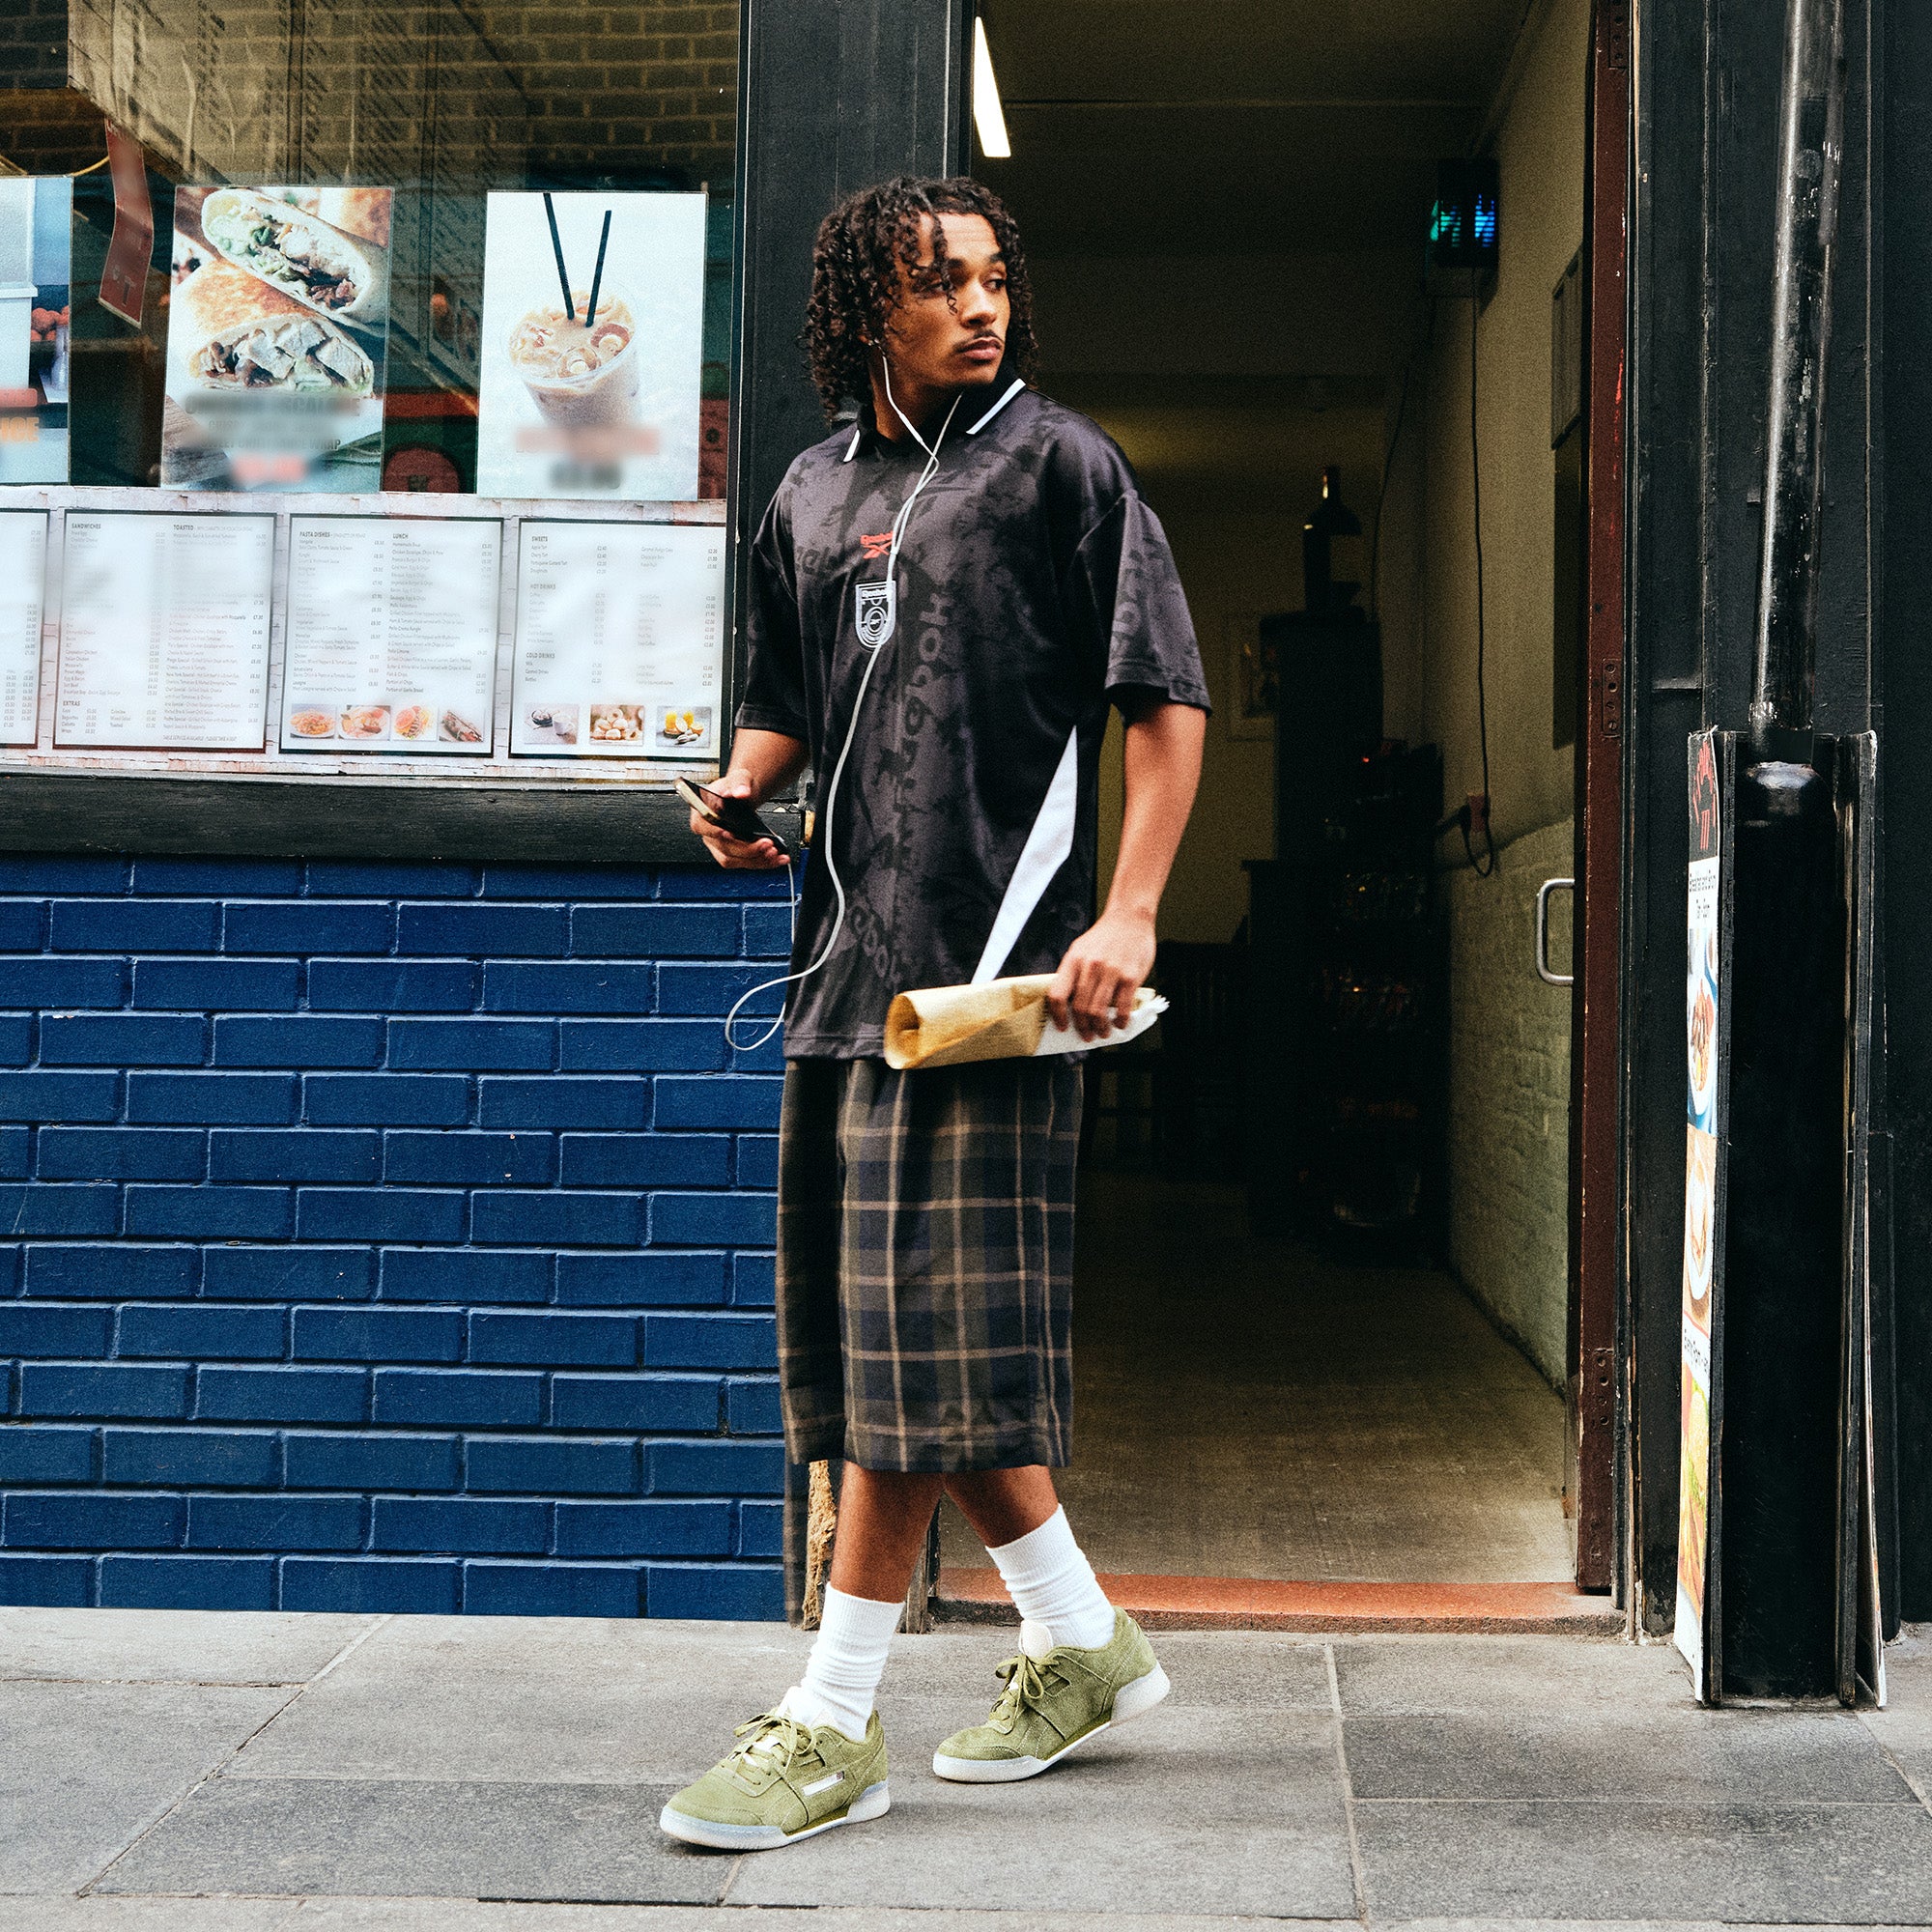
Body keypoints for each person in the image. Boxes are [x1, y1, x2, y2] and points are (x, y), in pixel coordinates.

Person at [661, 176, 1208, 1852]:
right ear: (864, 313)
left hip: (995, 988)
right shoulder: (813, 490)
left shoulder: (1064, 469)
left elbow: (1165, 702)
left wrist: (1126, 911)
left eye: (991, 280)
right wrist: (740, 789)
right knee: (876, 1350)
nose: (981, 306)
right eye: (940, 284)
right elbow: (783, 702)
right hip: (844, 976)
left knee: (905, 1357)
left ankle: (829, 1720)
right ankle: (1079, 1639)